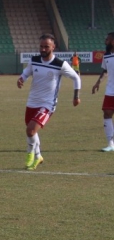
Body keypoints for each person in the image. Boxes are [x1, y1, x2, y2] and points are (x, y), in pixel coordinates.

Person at [17, 34, 81, 170]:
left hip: (47, 104)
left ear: (53, 47)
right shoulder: (34, 60)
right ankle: (38, 156)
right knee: (32, 132)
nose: (43, 49)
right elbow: (26, 72)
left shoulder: (60, 64)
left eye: (46, 46)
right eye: (41, 46)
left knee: (30, 130)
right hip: (32, 101)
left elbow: (76, 78)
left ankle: (29, 154)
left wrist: (76, 96)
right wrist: (21, 78)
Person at [91, 32, 114, 152]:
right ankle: (111, 144)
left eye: (107, 40)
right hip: (110, 90)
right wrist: (97, 83)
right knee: (107, 113)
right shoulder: (106, 56)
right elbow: (105, 71)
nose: (105, 41)